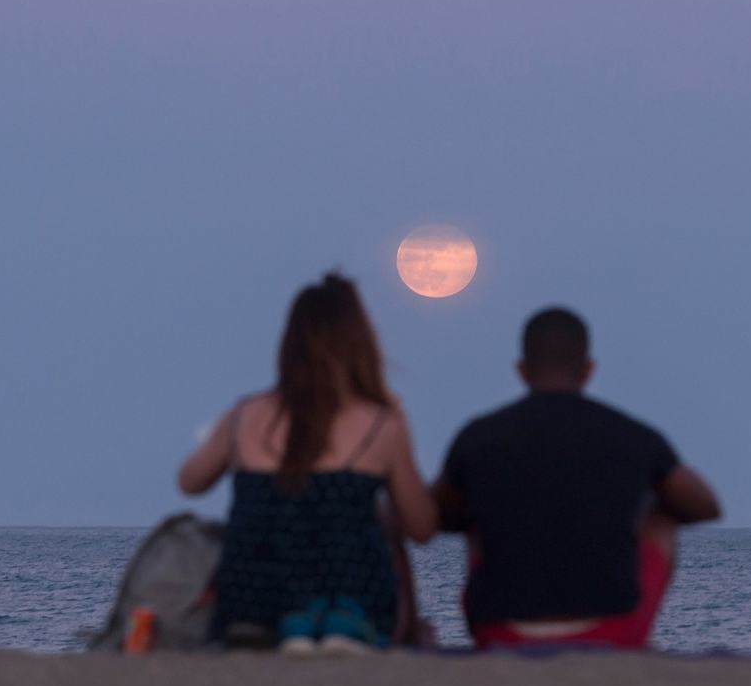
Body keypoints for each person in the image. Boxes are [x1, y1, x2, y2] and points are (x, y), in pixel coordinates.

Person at [178, 273, 438, 654]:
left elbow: (190, 481)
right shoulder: (381, 423)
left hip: (250, 597)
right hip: (350, 590)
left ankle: (287, 622)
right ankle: (338, 623)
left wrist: (229, 442)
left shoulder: (245, 414)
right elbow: (421, 526)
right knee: (378, 520)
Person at [433, 307, 721, 650]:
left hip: (499, 629)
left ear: (522, 370)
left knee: (477, 521)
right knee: (662, 520)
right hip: (612, 629)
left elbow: (433, 512)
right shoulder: (632, 436)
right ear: (588, 370)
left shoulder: (479, 436)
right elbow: (705, 505)